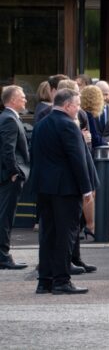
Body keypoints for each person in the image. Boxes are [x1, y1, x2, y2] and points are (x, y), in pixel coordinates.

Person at [31, 89, 93, 294]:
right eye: (77, 105)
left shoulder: (40, 124)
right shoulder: (68, 125)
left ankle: (45, 281)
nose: (78, 109)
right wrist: (86, 189)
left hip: (43, 188)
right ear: (67, 105)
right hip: (65, 189)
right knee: (66, 234)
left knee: (47, 234)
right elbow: (78, 159)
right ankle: (61, 280)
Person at [0, 85, 30, 270]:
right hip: (9, 177)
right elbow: (7, 149)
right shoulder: (9, 119)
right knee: (5, 217)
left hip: (11, 175)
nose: (26, 99)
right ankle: (3, 256)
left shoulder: (9, 117)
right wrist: (14, 172)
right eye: (22, 97)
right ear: (12, 100)